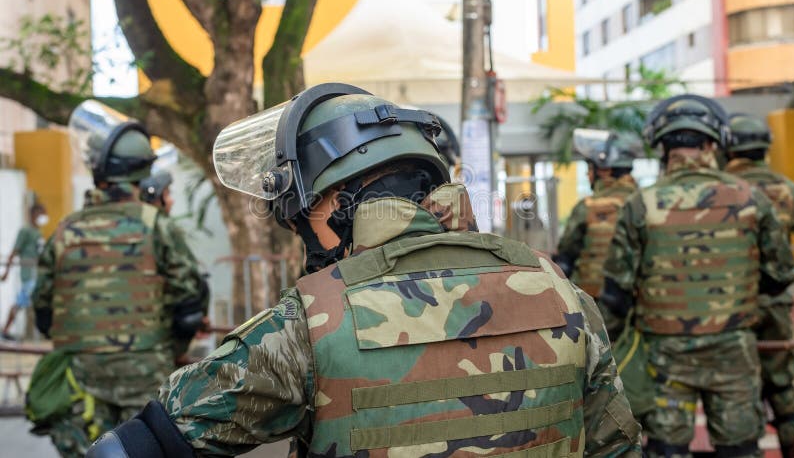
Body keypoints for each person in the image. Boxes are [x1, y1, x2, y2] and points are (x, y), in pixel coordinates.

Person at [87, 83, 641, 457]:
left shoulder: (309, 324)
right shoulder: (561, 293)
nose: (302, 228)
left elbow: (142, 443)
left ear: (337, 204)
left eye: (303, 213)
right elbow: (617, 445)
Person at [598, 94, 794, 458]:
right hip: (734, 354)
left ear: (662, 148)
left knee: (666, 449)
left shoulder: (642, 204)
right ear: (713, 143)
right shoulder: (751, 198)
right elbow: (782, 274)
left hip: (664, 357)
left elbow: (616, 292)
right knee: (739, 450)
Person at [31, 100, 209, 457]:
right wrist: (171, 348)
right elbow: (190, 302)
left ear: (100, 169)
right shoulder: (155, 224)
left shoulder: (66, 231)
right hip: (146, 383)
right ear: (141, 171)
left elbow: (44, 313)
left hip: (82, 383)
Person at [726, 113, 794, 458]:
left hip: (728, 306)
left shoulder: (722, 188)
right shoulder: (786, 188)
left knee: (738, 388)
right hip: (777, 303)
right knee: (783, 385)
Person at [553, 129, 640, 298]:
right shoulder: (644, 202)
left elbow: (566, 254)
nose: (587, 174)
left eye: (590, 168)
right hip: (636, 301)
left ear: (604, 170)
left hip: (593, 302)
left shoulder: (587, 206)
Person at [0, 202, 47, 340]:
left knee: (29, 301)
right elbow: (14, 251)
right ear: (34, 215)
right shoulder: (25, 231)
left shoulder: (38, 232)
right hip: (29, 273)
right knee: (21, 301)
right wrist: (6, 272)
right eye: (41, 214)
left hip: (37, 273)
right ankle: (5, 330)